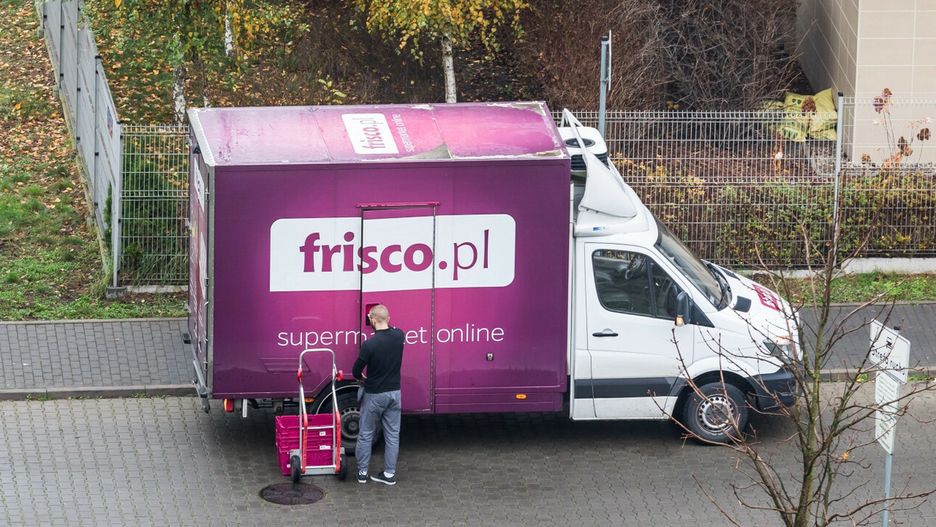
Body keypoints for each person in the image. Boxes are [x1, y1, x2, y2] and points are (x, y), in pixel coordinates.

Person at [352, 304, 404, 485]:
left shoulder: (369, 344)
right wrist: (384, 318)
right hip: (394, 393)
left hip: (374, 395)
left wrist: (363, 378)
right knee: (393, 435)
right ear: (388, 318)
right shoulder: (399, 335)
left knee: (366, 434)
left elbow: (356, 371)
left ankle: (362, 473)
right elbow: (392, 327)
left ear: (372, 320)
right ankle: (389, 475)